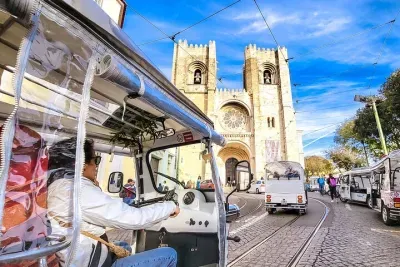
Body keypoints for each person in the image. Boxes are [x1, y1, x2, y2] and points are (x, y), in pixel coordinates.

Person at [47, 138, 179, 267]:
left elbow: (102, 210)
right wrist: (170, 207)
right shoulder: (78, 190)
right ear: (81, 164)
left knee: (123, 245)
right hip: (90, 261)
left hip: (80, 256)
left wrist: (95, 187)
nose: (97, 166)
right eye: (96, 160)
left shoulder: (59, 186)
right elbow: (134, 219)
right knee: (169, 254)